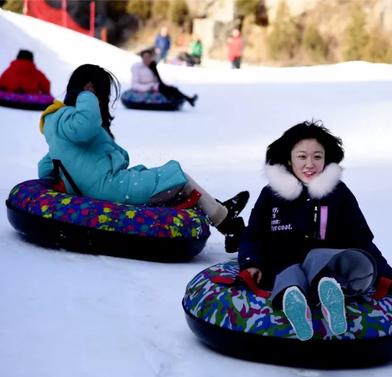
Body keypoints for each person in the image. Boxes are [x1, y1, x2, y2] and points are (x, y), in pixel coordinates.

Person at [37, 64, 248, 252]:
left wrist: (57, 185)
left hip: (108, 182)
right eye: (99, 93)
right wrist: (87, 94)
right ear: (88, 88)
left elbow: (48, 164)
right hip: (111, 186)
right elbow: (87, 126)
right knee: (176, 175)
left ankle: (220, 209)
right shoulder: (67, 117)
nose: (100, 100)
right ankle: (227, 222)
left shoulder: (58, 127)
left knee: (165, 182)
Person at [238, 121, 392, 340]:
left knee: (320, 257)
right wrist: (251, 263)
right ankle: (293, 301)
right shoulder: (271, 195)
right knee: (288, 272)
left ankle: (329, 293)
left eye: (317, 157)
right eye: (302, 156)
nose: (310, 164)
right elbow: (253, 234)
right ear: (289, 159)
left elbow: (360, 238)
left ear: (326, 160)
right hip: (281, 263)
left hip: (328, 262)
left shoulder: (338, 193)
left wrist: (384, 272)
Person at [131, 48, 198, 107]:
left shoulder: (152, 67)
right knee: (165, 88)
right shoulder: (137, 68)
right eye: (145, 57)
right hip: (147, 87)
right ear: (142, 58)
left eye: (149, 57)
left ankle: (189, 99)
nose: (147, 59)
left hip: (155, 86)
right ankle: (187, 99)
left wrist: (154, 68)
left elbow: (157, 80)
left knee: (172, 89)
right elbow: (135, 85)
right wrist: (148, 87)